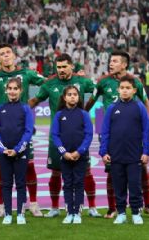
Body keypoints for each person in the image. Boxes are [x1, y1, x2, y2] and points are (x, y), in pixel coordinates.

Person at [85, 50, 149, 219]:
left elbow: (146, 101)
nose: (111, 64)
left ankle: (147, 204)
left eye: (115, 61)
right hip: (108, 128)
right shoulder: (103, 81)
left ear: (124, 64)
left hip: (133, 129)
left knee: (141, 166)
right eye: (110, 61)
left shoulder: (135, 82)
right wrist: (82, 116)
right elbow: (91, 101)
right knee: (112, 169)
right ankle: (113, 208)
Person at [30, 53, 99, 218]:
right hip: (57, 137)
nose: (61, 70)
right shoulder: (50, 84)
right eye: (58, 67)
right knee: (56, 172)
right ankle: (54, 208)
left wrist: (86, 108)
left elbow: (98, 90)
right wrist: (22, 110)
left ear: (71, 66)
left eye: (64, 66)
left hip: (79, 134)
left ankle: (92, 207)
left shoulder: (82, 81)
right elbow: (36, 100)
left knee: (86, 171)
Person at [0, 44, 44, 217]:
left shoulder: (27, 73)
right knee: (1, 168)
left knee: (29, 166)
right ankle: (1, 206)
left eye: (8, 52)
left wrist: (36, 100)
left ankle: (33, 203)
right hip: (2, 128)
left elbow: (47, 82)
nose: (5, 56)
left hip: (22, 127)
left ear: (14, 56)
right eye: (2, 54)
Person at [99, 75, 149, 225]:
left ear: (134, 90)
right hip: (115, 155)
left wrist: (146, 152)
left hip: (134, 155)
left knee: (135, 185)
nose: (125, 91)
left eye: (128, 88)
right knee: (119, 186)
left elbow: (146, 131)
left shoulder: (139, 107)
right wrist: (104, 152)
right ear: (118, 90)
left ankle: (136, 212)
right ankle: (121, 212)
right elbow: (105, 132)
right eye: (122, 88)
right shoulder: (112, 108)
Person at [0, 78, 34, 225]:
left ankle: (21, 214)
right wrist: (3, 149)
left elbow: (28, 132)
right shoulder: (0, 108)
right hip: (4, 154)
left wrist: (17, 150)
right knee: (6, 184)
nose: (12, 91)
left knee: (21, 184)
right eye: (10, 88)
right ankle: (8, 214)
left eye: (15, 88)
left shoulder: (25, 108)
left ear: (20, 91)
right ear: (6, 90)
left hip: (20, 153)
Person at [50, 86, 93, 225]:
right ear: (64, 97)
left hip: (81, 157)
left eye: (75, 94)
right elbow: (55, 135)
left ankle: (77, 213)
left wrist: (79, 152)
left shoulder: (84, 114)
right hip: (65, 157)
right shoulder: (59, 115)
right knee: (67, 184)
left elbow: (89, 135)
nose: (72, 97)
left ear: (79, 97)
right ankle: (69, 212)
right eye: (69, 94)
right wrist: (64, 152)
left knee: (79, 184)